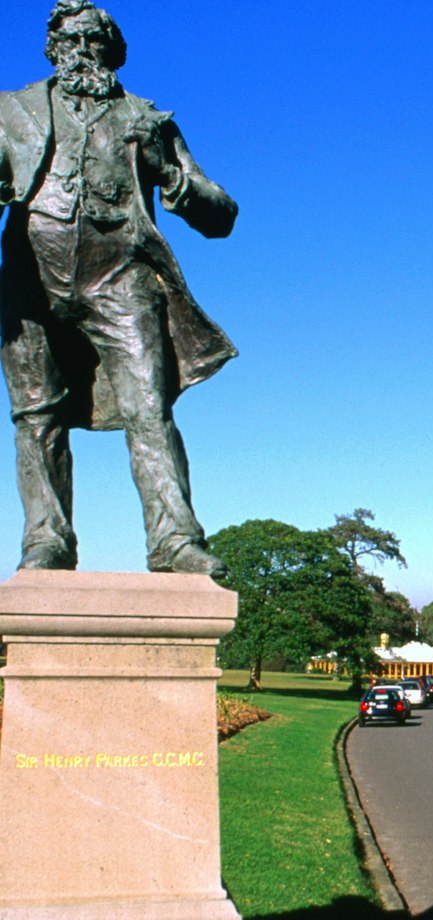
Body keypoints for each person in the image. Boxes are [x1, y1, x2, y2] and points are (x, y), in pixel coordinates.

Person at [0, 0, 237, 577]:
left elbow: (221, 214)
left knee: (149, 410)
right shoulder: (11, 111)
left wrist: (173, 175)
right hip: (33, 276)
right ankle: (47, 541)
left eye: (96, 42)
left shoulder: (147, 119)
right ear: (53, 49)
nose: (84, 52)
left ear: (116, 51)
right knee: (37, 415)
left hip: (121, 276)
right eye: (73, 41)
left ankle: (175, 541)